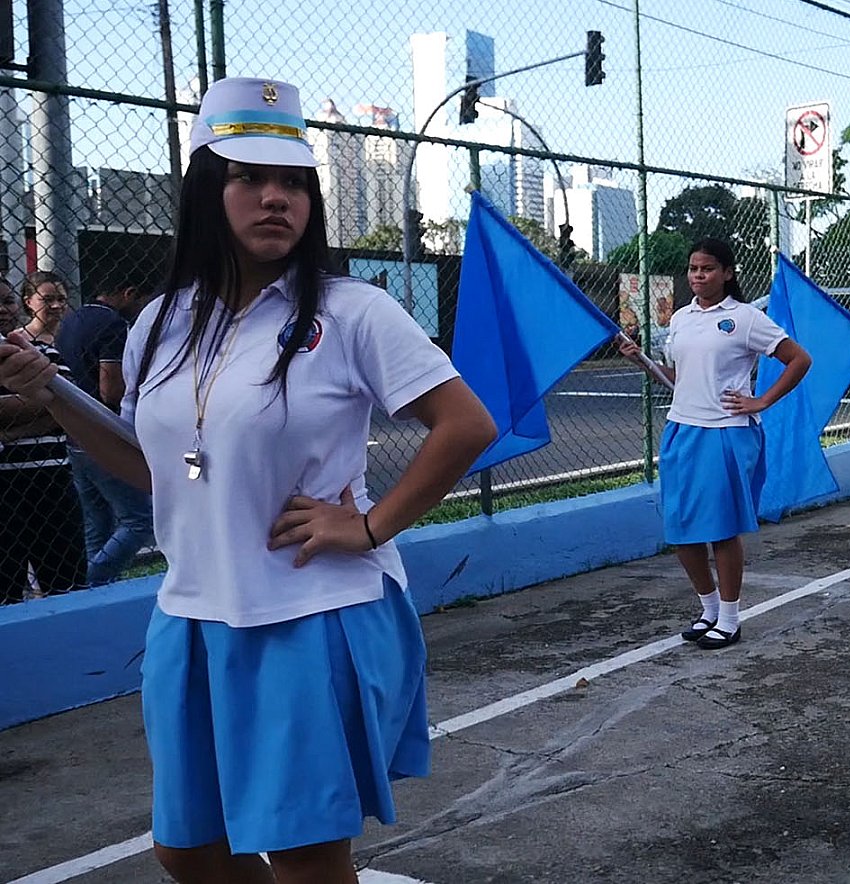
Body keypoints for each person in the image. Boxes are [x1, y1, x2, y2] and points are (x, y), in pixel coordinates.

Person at [0, 77, 496, 882]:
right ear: (207, 189)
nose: (276, 198)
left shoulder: (353, 311)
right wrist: (53, 394)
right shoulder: (160, 320)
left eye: (294, 182)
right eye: (250, 177)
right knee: (187, 849)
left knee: (303, 854)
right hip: (191, 614)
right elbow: (151, 465)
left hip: (311, 612)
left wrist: (369, 526)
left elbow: (465, 423)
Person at [617, 238, 811, 650]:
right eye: (693, 269)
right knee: (681, 529)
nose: (698, 275)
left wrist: (761, 400)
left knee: (721, 529)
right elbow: (678, 377)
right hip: (681, 430)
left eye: (707, 269)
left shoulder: (746, 318)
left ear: (727, 273)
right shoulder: (681, 318)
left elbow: (799, 359)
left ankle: (729, 617)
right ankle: (708, 609)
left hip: (727, 431)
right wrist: (641, 360)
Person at [54, 280, 157, 585]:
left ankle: (93, 586)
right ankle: (95, 578)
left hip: (77, 431)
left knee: (97, 523)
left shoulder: (72, 319)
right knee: (139, 521)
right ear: (129, 293)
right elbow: (110, 390)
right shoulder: (113, 323)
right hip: (105, 430)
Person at [1, 276, 88, 602]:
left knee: (67, 582)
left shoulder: (40, 351)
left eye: (7, 301)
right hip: (5, 485)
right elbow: (53, 404)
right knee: (7, 588)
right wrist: (45, 404)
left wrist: (9, 429)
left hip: (51, 477)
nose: (3, 309)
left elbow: (70, 404)